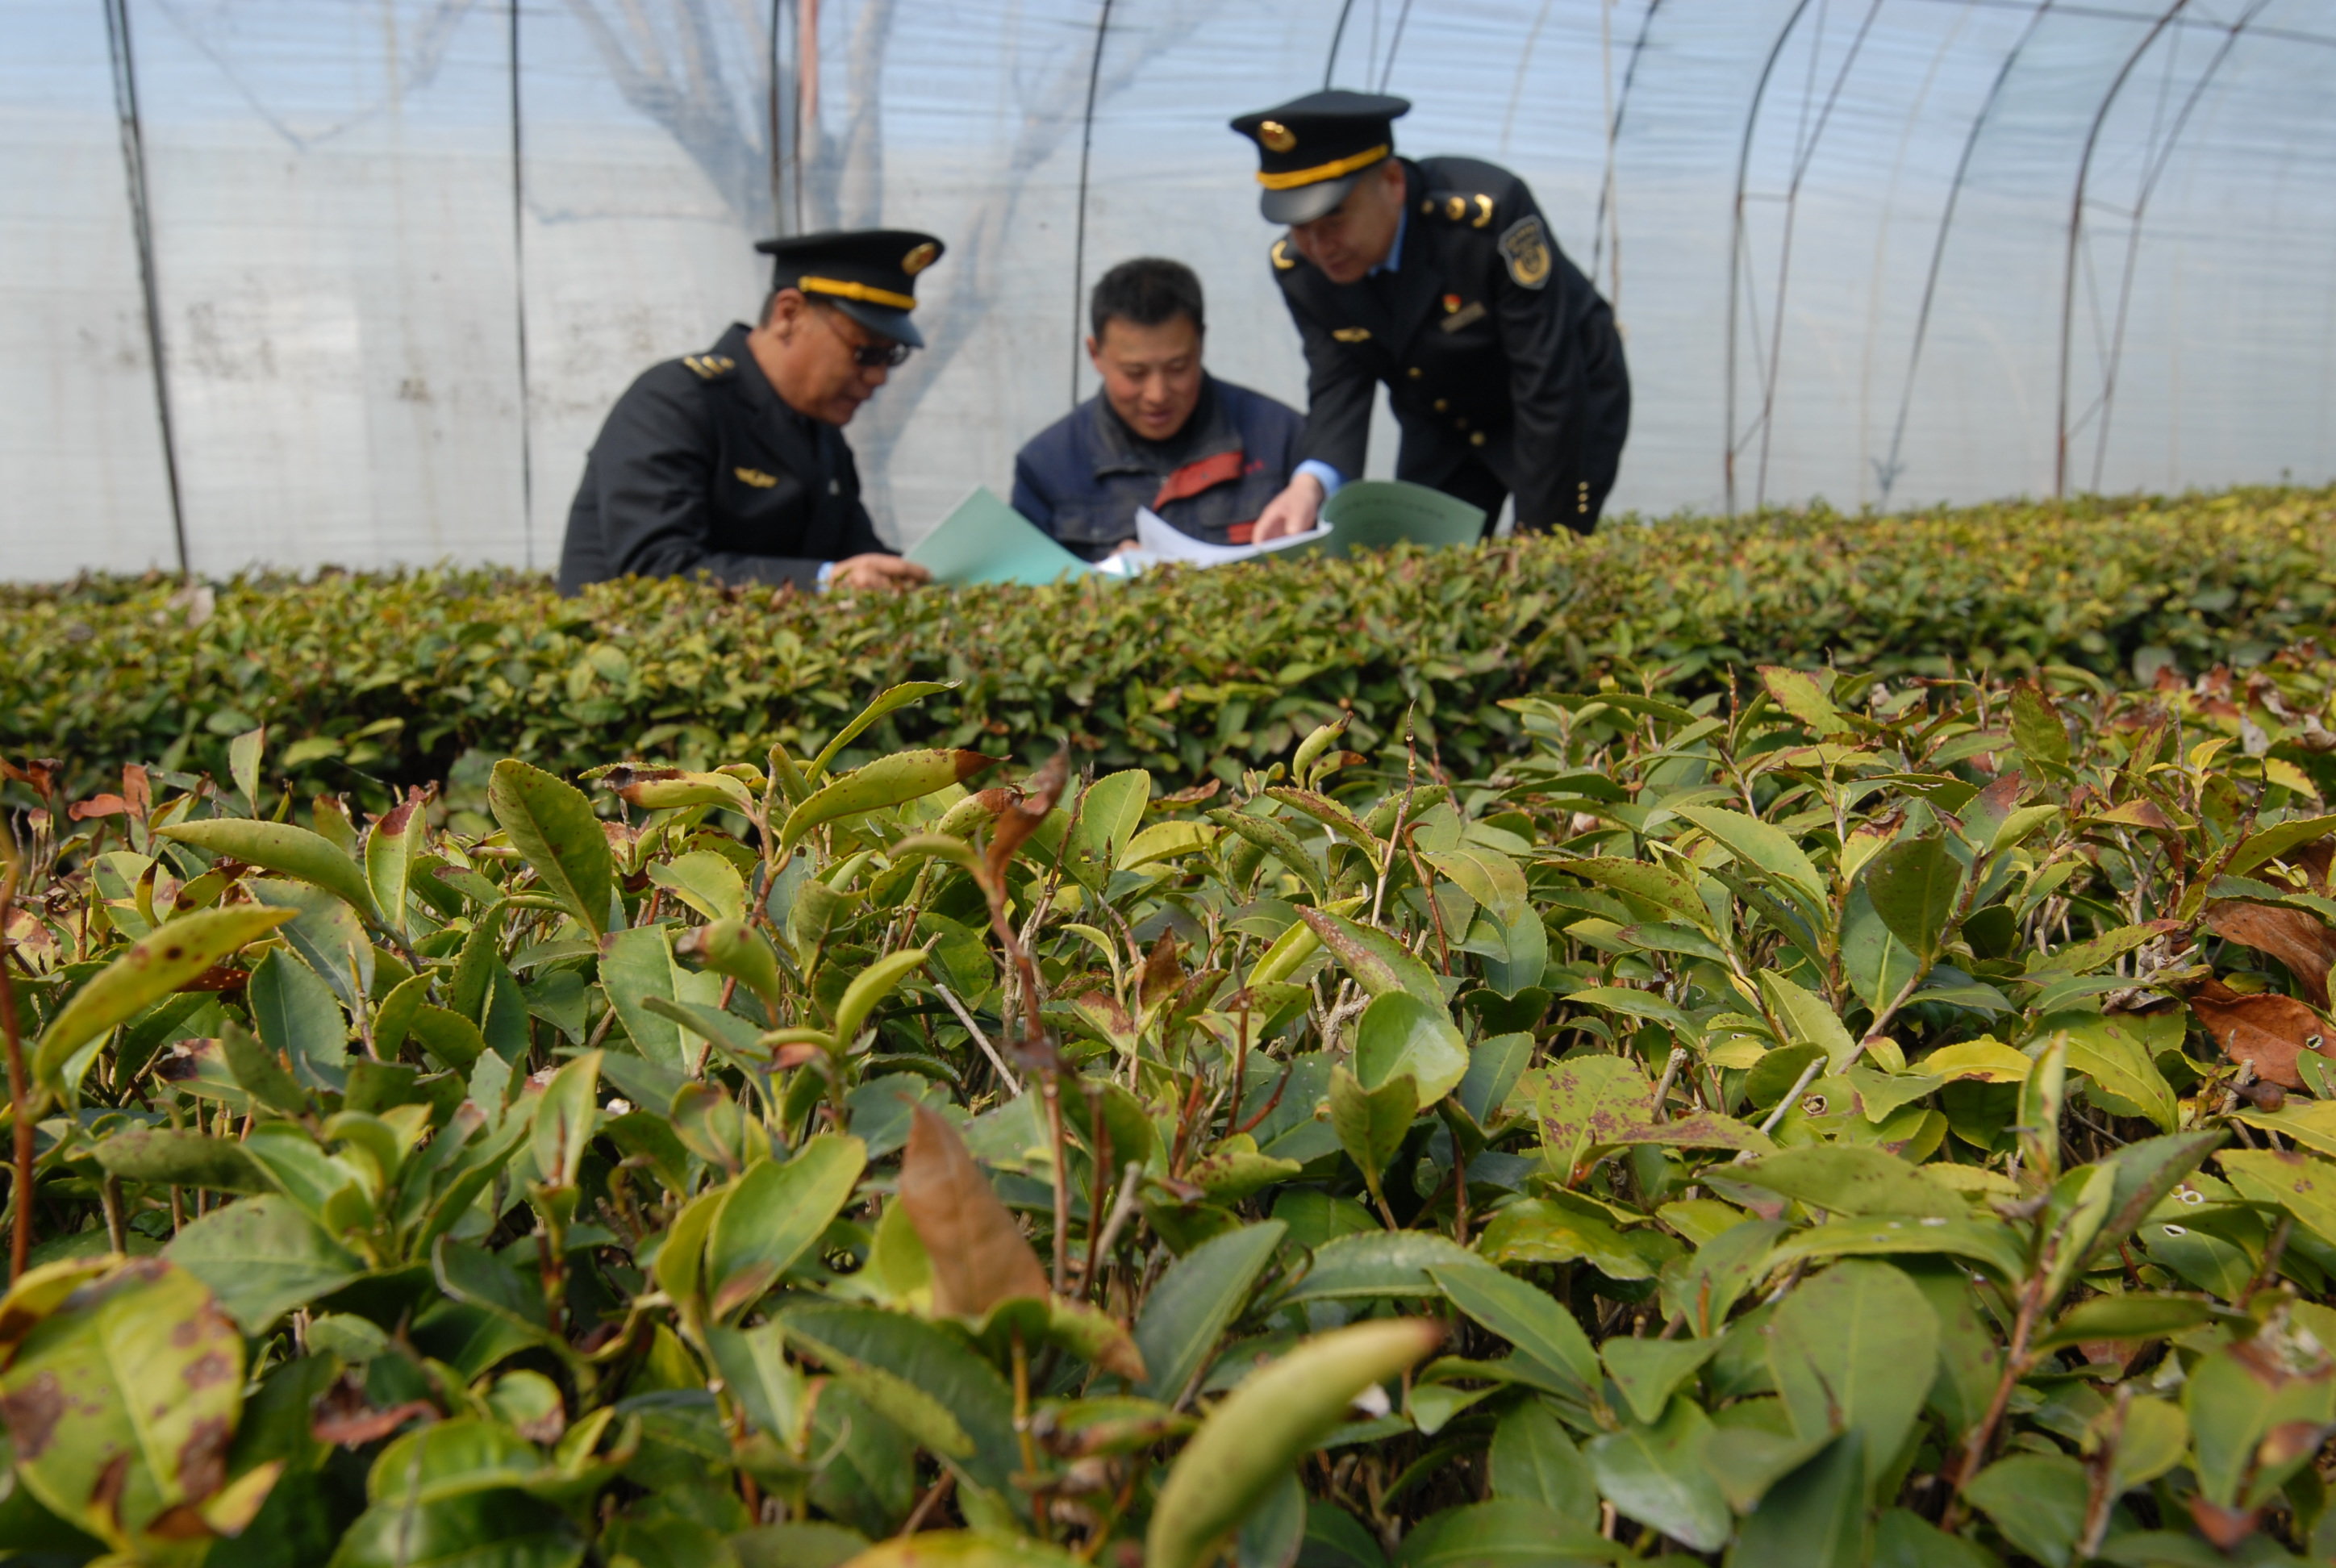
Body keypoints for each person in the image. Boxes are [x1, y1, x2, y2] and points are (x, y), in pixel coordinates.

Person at [1229, 91, 1631, 542]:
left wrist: (1534, 534)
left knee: (1544, 555)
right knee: (1425, 560)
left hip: (1565, 397)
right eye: (1301, 228)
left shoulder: (1487, 218)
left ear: (1393, 181)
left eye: (1334, 221)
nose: (1321, 248)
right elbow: (1337, 382)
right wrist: (1310, 485)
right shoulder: (1303, 272)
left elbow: (1546, 376)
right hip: (1442, 412)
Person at [557, 229, 941, 595]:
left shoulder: (821, 435)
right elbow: (658, 569)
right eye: (866, 352)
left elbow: (854, 554)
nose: (878, 376)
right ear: (788, 315)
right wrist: (825, 581)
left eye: (892, 356)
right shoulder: (676, 402)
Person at [1012, 257, 1304, 561]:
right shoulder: (1047, 466)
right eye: (1135, 373)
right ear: (1095, 354)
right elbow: (1022, 591)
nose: (1157, 394)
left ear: (1201, 343)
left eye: (1177, 368)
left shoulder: (1281, 437)